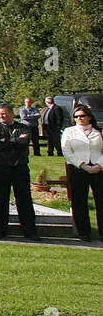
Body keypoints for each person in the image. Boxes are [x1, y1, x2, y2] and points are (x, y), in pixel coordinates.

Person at [0, 102, 39, 241]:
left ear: (12, 113)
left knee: (24, 200)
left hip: (20, 167)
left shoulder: (23, 127)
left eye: (4, 113)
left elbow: (24, 142)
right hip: (0, 167)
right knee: (0, 200)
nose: (1, 116)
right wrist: (15, 141)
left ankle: (30, 231)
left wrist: (7, 141)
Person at [61, 103, 103, 242]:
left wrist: (98, 165)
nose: (79, 118)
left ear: (89, 117)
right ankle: (84, 232)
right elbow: (67, 151)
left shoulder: (99, 132)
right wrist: (82, 165)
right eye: (76, 116)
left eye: (82, 116)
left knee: (100, 201)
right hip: (78, 168)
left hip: (98, 168)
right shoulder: (69, 131)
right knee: (79, 201)